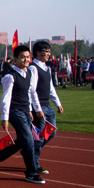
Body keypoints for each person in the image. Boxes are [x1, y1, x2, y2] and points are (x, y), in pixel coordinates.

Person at [0, 45, 45, 183]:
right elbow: (6, 98)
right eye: (22, 57)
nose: (26, 60)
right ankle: (31, 172)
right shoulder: (10, 76)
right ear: (15, 59)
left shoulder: (29, 73)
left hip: (26, 111)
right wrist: (5, 118)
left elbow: (30, 93)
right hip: (15, 112)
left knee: (24, 140)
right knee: (28, 140)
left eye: (28, 57)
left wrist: (32, 110)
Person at [29, 41, 63, 174]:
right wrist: (37, 109)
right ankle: (34, 163)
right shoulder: (33, 68)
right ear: (38, 52)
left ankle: (29, 152)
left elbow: (50, 88)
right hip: (39, 107)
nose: (49, 54)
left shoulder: (47, 68)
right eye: (46, 51)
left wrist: (58, 103)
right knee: (39, 137)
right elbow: (32, 90)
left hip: (48, 106)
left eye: (49, 52)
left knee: (51, 133)